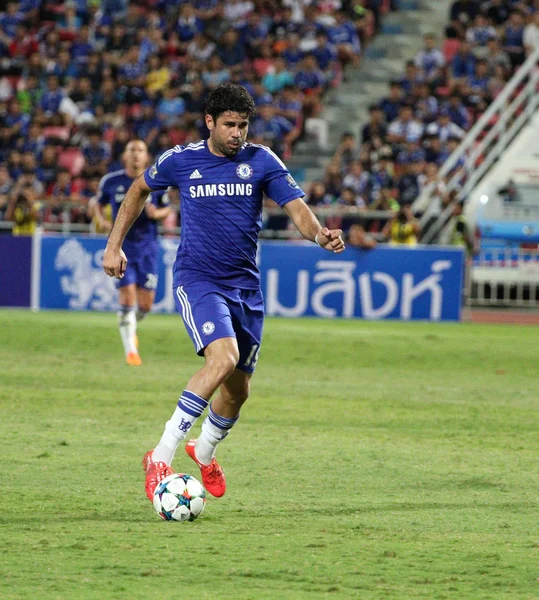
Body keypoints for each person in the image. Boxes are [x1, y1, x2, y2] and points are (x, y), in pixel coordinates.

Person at [102, 83, 344, 503]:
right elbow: (138, 189)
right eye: (230, 125)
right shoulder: (181, 160)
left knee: (238, 391)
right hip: (198, 279)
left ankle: (205, 449)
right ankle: (160, 456)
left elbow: (297, 209)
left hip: (245, 287)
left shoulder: (261, 160)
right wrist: (113, 243)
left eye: (244, 125)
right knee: (224, 357)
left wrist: (320, 235)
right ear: (210, 122)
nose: (238, 133)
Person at [96, 140, 171, 366]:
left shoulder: (156, 181)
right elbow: (97, 204)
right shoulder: (111, 181)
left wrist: (157, 214)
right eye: (132, 150)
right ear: (125, 156)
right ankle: (131, 351)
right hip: (122, 246)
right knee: (127, 296)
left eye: (140, 150)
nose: (136, 155)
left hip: (148, 248)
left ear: (146, 157)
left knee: (146, 305)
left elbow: (167, 207)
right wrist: (101, 221)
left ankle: (131, 327)